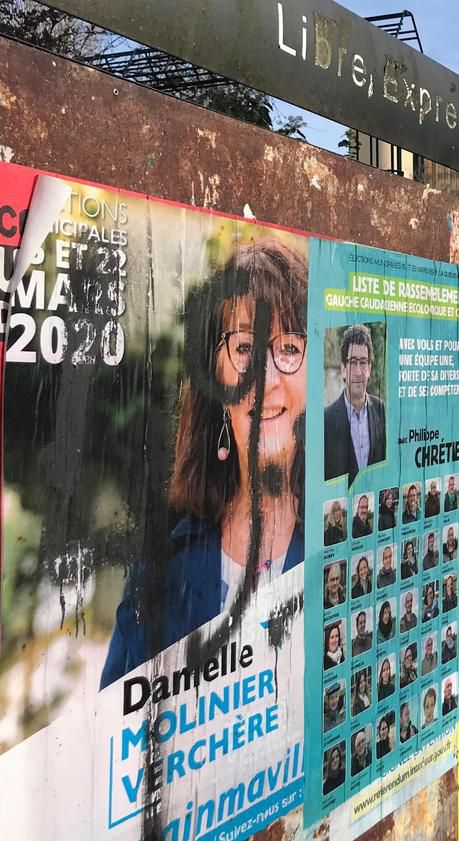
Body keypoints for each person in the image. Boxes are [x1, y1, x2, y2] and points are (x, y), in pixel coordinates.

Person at [102, 240, 308, 688]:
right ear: (215, 377)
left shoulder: (349, 532)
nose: (267, 379)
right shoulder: (160, 561)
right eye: (245, 347)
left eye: (289, 348)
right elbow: (111, 738)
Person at [324, 323, 387, 485]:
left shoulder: (382, 410)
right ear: (343, 369)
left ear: (370, 369)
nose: (358, 372)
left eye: (363, 362)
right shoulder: (326, 420)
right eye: (353, 362)